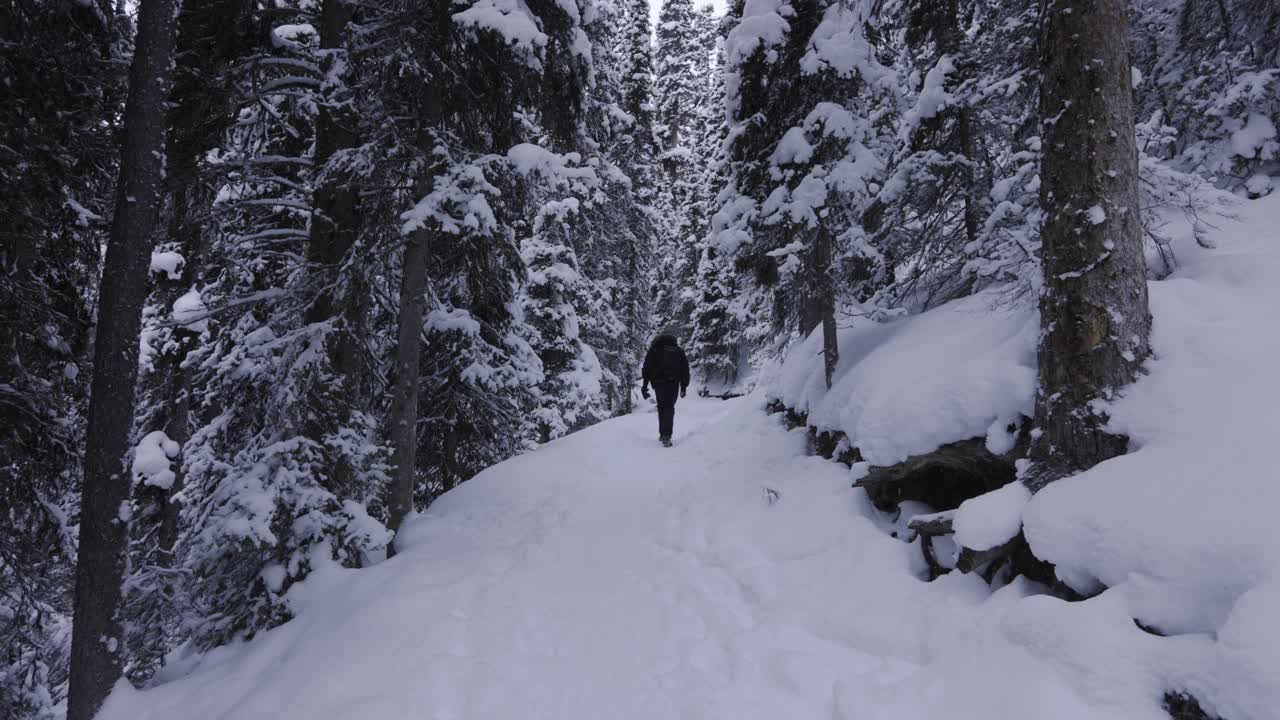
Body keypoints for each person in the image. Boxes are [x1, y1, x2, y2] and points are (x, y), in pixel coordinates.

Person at [641, 331, 690, 447]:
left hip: (658, 384)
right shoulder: (678, 350)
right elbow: (685, 369)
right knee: (669, 407)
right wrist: (683, 387)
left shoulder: (654, 349)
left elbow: (646, 368)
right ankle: (666, 435)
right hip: (673, 384)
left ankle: (663, 434)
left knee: (662, 406)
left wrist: (645, 385)